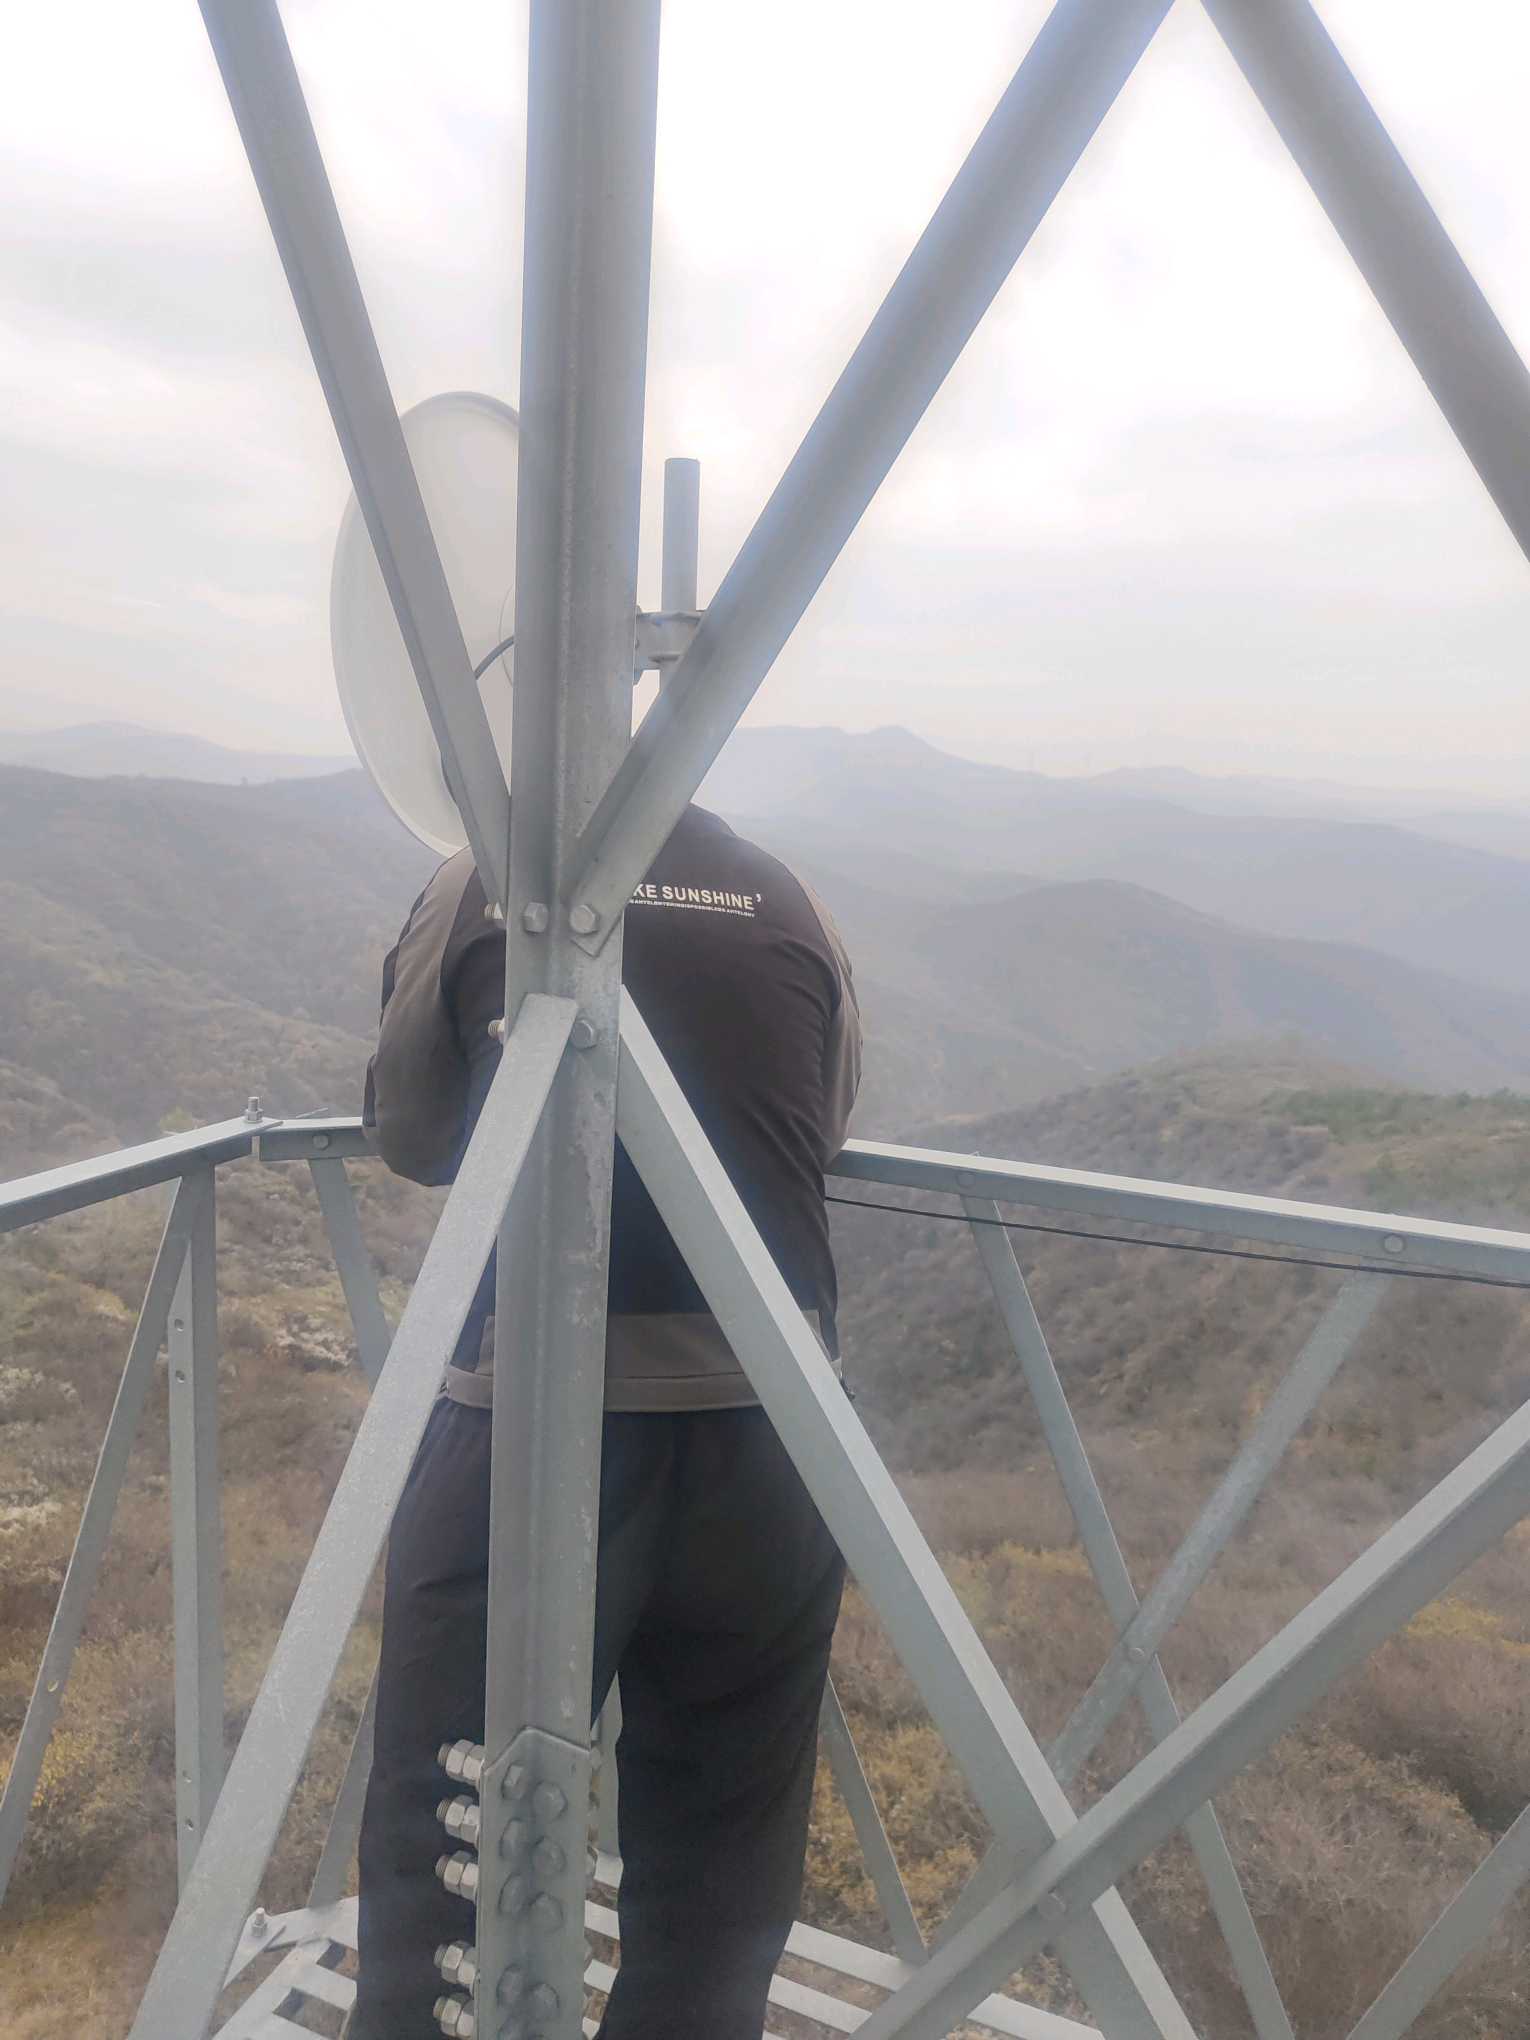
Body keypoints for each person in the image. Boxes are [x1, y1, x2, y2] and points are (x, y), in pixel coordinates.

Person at [349, 799, 861, 2040]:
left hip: (528, 1426)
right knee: (722, 1868)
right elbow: (824, 1125)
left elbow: (412, 1132)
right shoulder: (789, 891)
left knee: (443, 1850)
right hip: (777, 1435)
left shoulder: (486, 877)